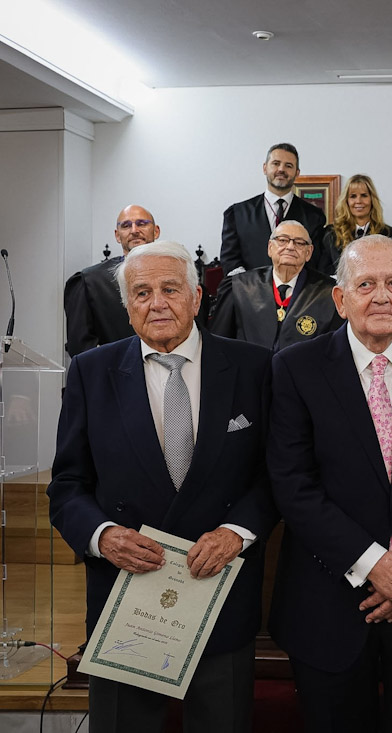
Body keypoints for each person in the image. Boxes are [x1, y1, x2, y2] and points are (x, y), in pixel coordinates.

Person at [48, 241, 277, 732]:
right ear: (127, 305)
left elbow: (273, 476)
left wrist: (237, 531)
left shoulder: (255, 367)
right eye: (141, 292)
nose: (157, 304)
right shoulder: (91, 372)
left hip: (219, 596)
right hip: (124, 603)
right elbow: (67, 485)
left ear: (196, 298)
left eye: (170, 289)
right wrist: (103, 535)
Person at [266, 235, 392, 733]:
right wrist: (375, 564)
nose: (380, 297)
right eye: (366, 284)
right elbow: (292, 484)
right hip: (329, 604)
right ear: (340, 298)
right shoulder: (295, 367)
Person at [208, 220, 343, 350]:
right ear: (270, 248)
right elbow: (219, 342)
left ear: (309, 253)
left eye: (299, 243)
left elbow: (336, 347)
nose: (290, 247)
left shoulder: (329, 292)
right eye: (282, 240)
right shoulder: (239, 287)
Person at [64, 204, 159, 357]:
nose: (134, 230)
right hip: (114, 368)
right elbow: (81, 347)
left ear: (156, 231)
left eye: (142, 224)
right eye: (126, 226)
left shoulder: (176, 274)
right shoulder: (89, 282)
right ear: (117, 235)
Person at [220, 143, 326, 274]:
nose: (281, 169)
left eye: (288, 166)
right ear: (265, 168)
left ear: (297, 173)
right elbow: (230, 261)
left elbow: (315, 263)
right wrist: (251, 284)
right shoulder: (237, 214)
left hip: (299, 286)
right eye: (276, 163)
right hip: (249, 286)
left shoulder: (314, 216)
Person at [316, 173, 392, 276]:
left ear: (372, 199)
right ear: (346, 201)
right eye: (353, 196)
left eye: (364, 195)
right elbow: (323, 273)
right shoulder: (330, 234)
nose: (358, 201)